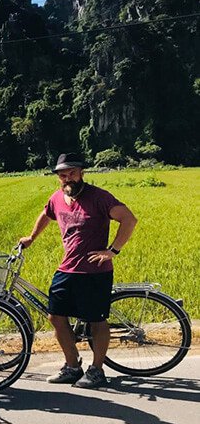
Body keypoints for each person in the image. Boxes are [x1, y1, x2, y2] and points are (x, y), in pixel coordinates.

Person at [19, 152, 137, 388]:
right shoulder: (57, 198)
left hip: (94, 271)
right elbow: (46, 214)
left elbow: (129, 219)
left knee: (97, 320)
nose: (67, 178)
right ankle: (73, 366)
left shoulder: (99, 198)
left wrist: (112, 251)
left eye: (72, 173)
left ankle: (96, 371)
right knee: (55, 316)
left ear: (82, 172)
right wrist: (32, 237)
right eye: (63, 175)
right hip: (67, 268)